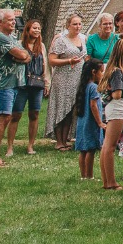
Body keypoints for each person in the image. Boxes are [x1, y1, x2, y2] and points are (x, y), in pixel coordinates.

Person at [0, 9, 31, 167]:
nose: (13, 22)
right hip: (4, 83)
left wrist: (20, 56)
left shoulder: (12, 37)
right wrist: (21, 55)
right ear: (0, 22)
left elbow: (26, 56)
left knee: (3, 117)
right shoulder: (0, 37)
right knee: (3, 117)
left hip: (14, 82)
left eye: (13, 20)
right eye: (9, 20)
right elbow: (21, 55)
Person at [96, 38, 123, 189]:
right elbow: (117, 94)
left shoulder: (114, 70)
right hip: (118, 108)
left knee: (107, 146)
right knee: (110, 146)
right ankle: (111, 182)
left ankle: (107, 181)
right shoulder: (118, 72)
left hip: (116, 108)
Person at [44, 13, 87, 150]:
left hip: (77, 79)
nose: (77, 26)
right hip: (62, 79)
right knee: (61, 108)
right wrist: (68, 61)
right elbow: (52, 60)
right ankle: (59, 141)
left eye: (79, 24)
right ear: (68, 25)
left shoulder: (83, 39)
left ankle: (66, 139)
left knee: (70, 110)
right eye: (74, 24)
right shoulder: (61, 40)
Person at [6, 18, 45, 156]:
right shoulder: (18, 45)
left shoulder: (42, 46)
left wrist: (47, 82)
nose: (37, 30)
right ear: (27, 29)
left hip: (37, 84)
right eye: (34, 28)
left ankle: (30, 145)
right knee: (15, 114)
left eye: (39, 28)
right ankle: (10, 146)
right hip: (21, 84)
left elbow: (45, 64)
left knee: (34, 113)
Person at [73, 58, 104, 181]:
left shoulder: (84, 86)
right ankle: (89, 175)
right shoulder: (94, 87)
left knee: (83, 150)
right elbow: (93, 105)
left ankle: (83, 175)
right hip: (91, 123)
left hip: (82, 122)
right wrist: (100, 122)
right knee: (90, 150)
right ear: (93, 72)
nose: (102, 74)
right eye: (101, 72)